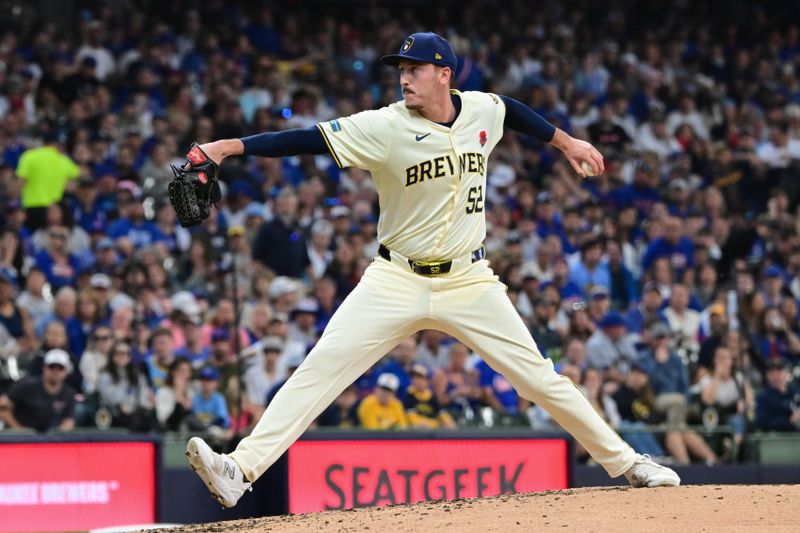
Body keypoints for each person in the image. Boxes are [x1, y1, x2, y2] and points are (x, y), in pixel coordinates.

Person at [184, 32, 679, 508]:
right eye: (401, 69)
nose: (404, 78)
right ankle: (239, 470)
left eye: (415, 69)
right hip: (395, 278)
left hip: (469, 279)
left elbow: (514, 112)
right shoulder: (384, 126)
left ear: (445, 74)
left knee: (540, 379)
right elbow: (303, 139)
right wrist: (229, 147)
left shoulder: (481, 109)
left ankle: (629, 463)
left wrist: (566, 142)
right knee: (319, 370)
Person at [0, 349, 76, 432]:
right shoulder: (27, 386)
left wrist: (60, 433)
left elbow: (69, 419)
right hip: (22, 438)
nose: (55, 371)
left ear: (66, 371)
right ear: (44, 368)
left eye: (60, 368)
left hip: (51, 439)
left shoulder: (68, 393)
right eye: (51, 367)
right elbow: (3, 405)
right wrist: (18, 429)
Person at [756, 358, 800, 432]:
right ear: (767, 375)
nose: (775, 377)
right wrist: (790, 420)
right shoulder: (763, 397)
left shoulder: (796, 392)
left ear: (786, 373)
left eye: (779, 373)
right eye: (772, 374)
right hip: (775, 438)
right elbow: (763, 422)